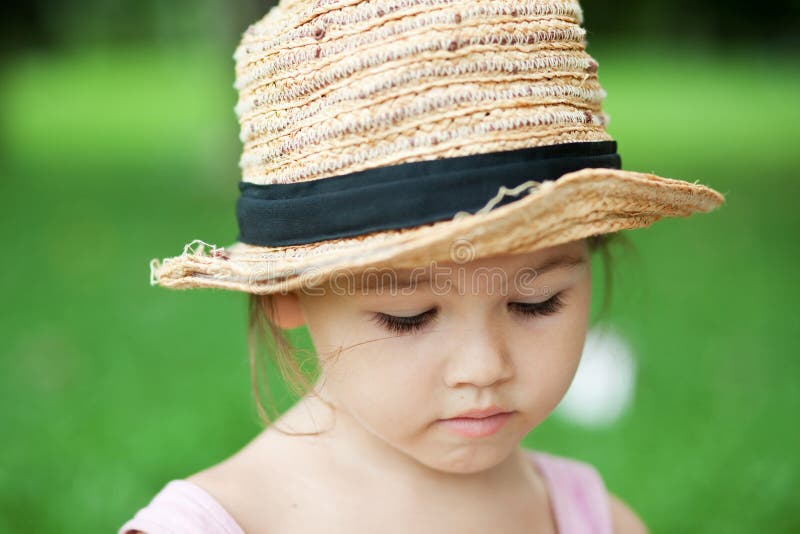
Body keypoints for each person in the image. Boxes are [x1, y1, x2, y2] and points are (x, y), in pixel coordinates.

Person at [126, 0, 725, 532]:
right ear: (285, 290)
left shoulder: (594, 520)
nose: (483, 367)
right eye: (409, 316)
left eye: (536, 302)